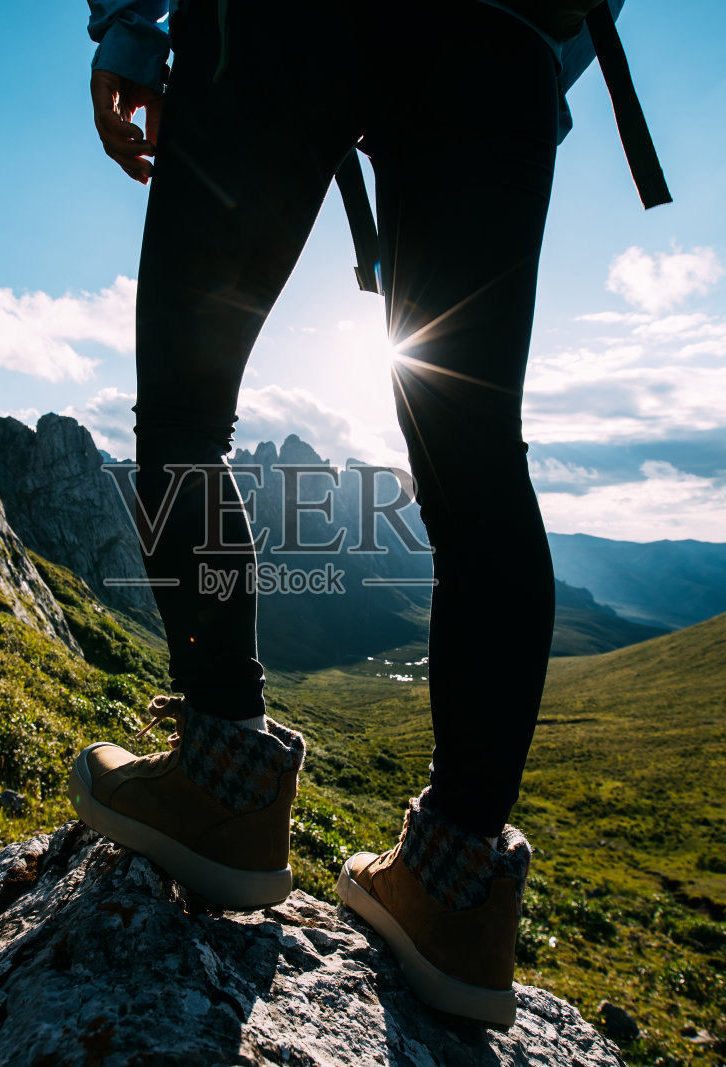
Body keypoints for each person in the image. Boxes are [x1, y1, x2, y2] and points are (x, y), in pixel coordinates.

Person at [69, 0, 628, 1027]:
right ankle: (455, 889)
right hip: (501, 36)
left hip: (276, 23)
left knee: (188, 415)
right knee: (475, 456)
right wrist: (538, 57)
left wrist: (132, 28)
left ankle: (222, 778)